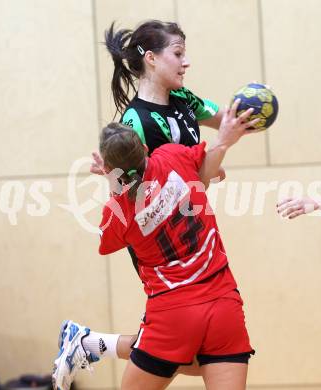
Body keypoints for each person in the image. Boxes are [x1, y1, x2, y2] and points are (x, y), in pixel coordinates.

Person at [52, 101, 258, 390]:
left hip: (172, 312)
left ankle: (90, 343)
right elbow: (205, 166)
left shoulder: (118, 210)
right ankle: (90, 343)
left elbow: (107, 242)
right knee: (209, 361)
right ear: (146, 149)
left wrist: (115, 185)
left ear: (109, 167)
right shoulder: (172, 155)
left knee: (172, 362)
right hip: (223, 300)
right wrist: (222, 144)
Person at [87, 19, 236, 374]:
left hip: (197, 229)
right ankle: (92, 343)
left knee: (206, 354)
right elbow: (146, 199)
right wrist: (208, 164)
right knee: (204, 356)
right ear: (151, 59)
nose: (186, 63)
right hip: (163, 243)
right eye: (178, 54)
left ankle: (93, 343)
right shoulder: (134, 122)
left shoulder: (185, 100)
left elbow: (225, 119)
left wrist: (253, 110)